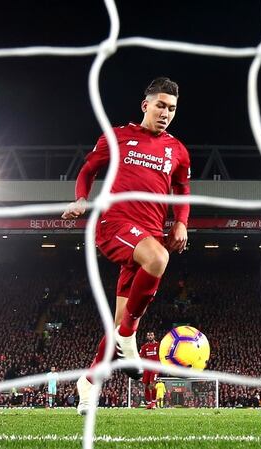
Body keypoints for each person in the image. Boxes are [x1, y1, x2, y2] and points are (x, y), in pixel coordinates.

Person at [61, 77, 190, 415]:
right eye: (160, 105)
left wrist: (181, 221)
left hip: (147, 232)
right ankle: (130, 338)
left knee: (117, 325)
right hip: (114, 225)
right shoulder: (118, 136)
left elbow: (183, 190)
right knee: (158, 259)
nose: (166, 113)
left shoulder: (177, 150)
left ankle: (88, 384)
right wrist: (80, 199)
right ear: (145, 105)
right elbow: (89, 170)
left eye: (172, 108)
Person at [139, 331, 160, 409]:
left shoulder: (158, 345)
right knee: (146, 386)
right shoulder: (144, 347)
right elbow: (141, 357)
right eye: (148, 335)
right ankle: (148, 403)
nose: (150, 336)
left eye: (151, 335)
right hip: (147, 368)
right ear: (147, 337)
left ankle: (153, 403)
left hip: (155, 367)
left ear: (154, 336)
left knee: (152, 384)